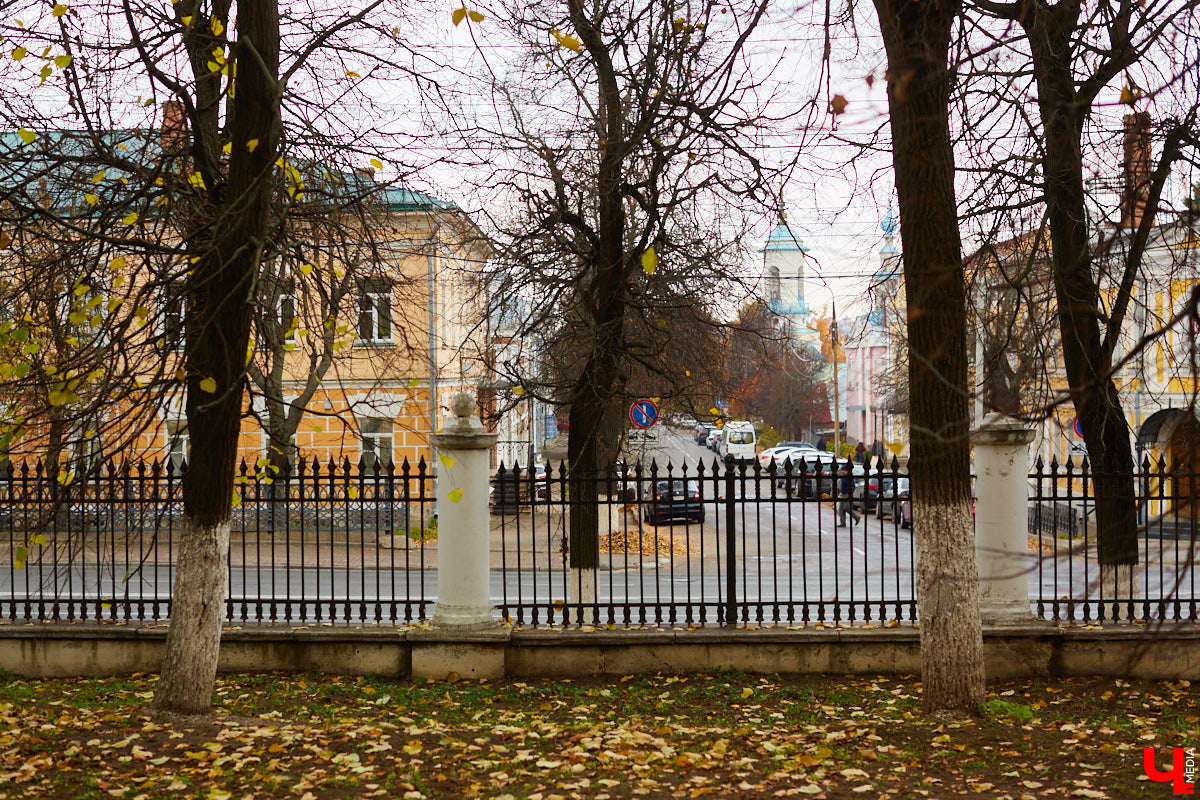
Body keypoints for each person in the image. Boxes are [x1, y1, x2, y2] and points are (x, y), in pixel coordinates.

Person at [836, 460, 860, 527]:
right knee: (841, 509)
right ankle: (842, 522)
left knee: (847, 508)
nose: (842, 471)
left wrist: (850, 493)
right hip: (842, 494)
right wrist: (840, 492)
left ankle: (856, 517)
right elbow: (842, 485)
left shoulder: (849, 477)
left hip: (847, 494)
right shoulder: (843, 477)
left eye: (843, 470)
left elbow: (853, 486)